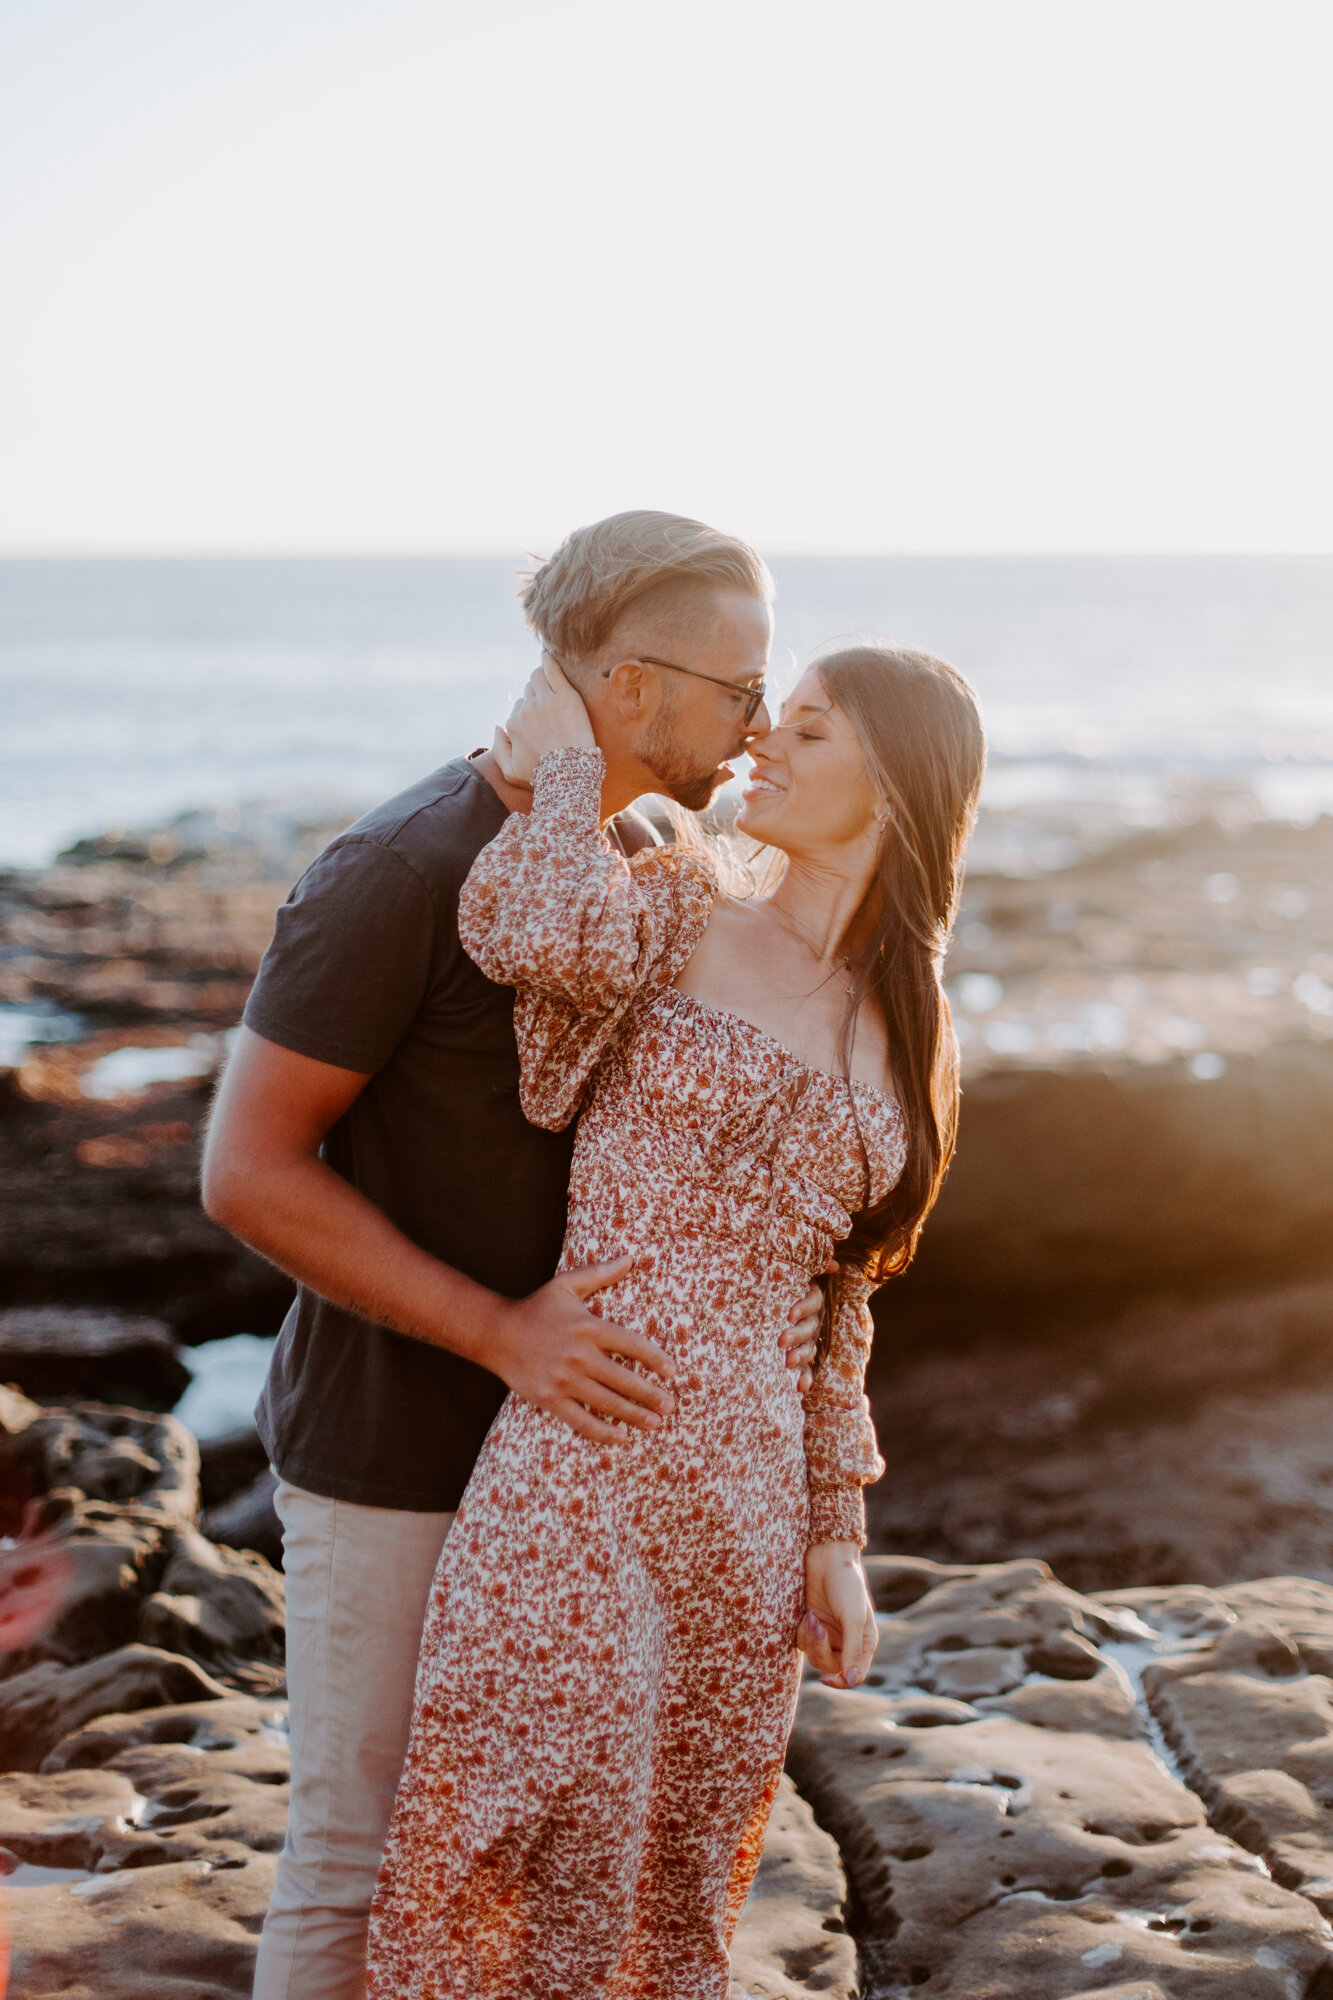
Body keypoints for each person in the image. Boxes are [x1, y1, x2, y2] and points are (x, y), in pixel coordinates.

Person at [199, 510, 827, 2000]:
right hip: (403, 1453)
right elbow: (246, 1170)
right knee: (357, 1860)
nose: (754, 722)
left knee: (532, 1875)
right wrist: (500, 1332)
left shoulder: (625, 861)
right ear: (626, 685)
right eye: (738, 688)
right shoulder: (400, 869)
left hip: (580, 1475)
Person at [365, 633, 986, 1999]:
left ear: (897, 785)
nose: (763, 740)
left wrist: (833, 1535)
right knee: (490, 1835)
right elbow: (520, 925)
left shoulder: (915, 1024)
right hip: (581, 1457)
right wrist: (569, 757)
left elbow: (841, 1310)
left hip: (746, 1511)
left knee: (671, 1880)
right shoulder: (684, 900)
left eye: (809, 731)